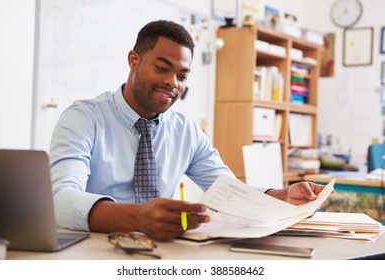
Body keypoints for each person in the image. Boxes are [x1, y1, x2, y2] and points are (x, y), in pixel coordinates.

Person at [49, 20, 325, 241]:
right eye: (161, 68)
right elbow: (59, 199)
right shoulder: (84, 117)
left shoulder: (186, 131)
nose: (172, 83)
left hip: (159, 250)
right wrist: (135, 217)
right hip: (92, 249)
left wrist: (281, 196)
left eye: (182, 76)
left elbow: (230, 192)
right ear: (134, 60)